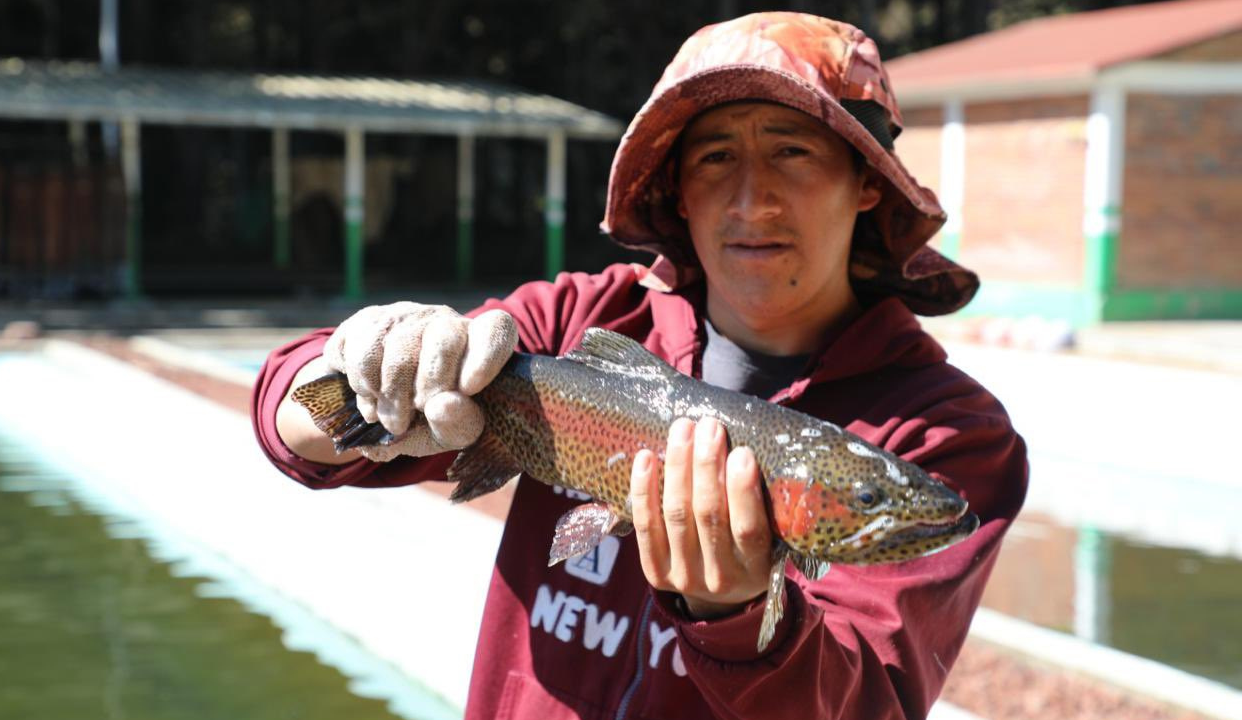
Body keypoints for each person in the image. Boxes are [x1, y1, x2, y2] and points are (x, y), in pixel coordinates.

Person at [253, 12, 1027, 720]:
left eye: (792, 152)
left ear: (866, 183)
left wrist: (740, 617)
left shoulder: (947, 436)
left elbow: (865, 707)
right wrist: (365, 370)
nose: (752, 201)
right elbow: (297, 426)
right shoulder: (579, 322)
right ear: (678, 191)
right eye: (717, 157)